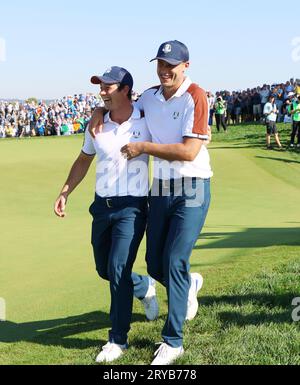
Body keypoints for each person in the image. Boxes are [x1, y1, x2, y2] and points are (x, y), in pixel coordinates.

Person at [89, 40, 212, 365]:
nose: (165, 70)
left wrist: (143, 147)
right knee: (155, 262)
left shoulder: (196, 95)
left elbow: (188, 151)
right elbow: (120, 106)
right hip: (161, 187)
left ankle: (173, 342)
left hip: (193, 186)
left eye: (171, 64)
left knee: (173, 261)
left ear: (186, 65)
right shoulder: (149, 97)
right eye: (160, 64)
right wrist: (99, 111)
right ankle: (189, 286)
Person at [54, 66, 159, 364]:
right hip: (102, 207)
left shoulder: (146, 116)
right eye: (100, 87)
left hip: (132, 207)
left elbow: (161, 93)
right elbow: (84, 159)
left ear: (126, 89)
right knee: (105, 269)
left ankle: (118, 340)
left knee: (117, 270)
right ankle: (142, 285)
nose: (102, 91)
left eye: (108, 87)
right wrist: (65, 192)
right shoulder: (96, 125)